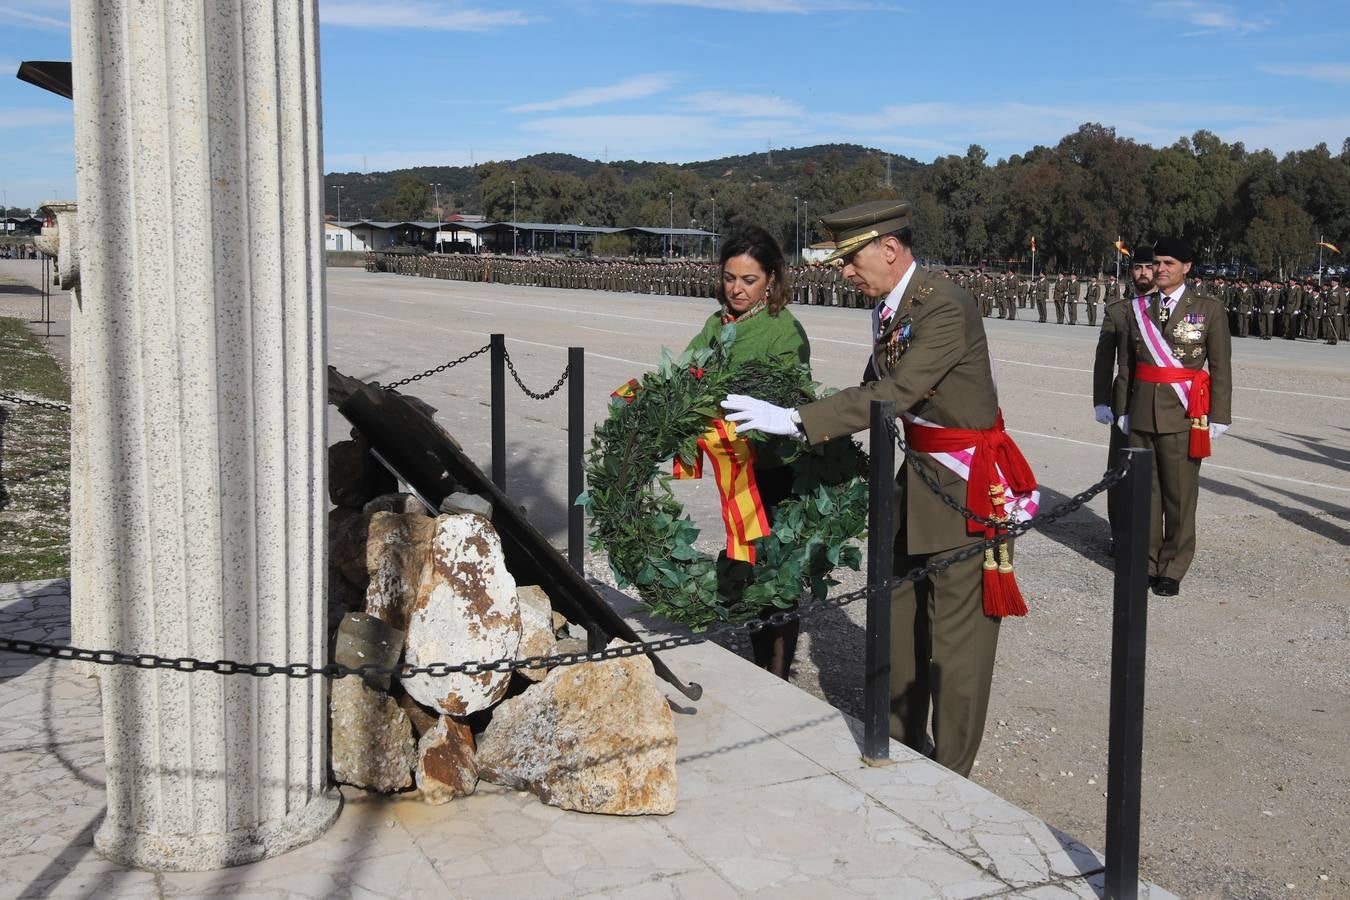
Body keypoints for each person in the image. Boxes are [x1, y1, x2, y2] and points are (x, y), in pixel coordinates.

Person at [722, 200, 1038, 778]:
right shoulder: (894, 307)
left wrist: (796, 419)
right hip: (915, 479)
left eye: (851, 259)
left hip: (964, 488)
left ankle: (950, 773)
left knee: (955, 644)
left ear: (888, 249)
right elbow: (876, 386)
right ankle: (900, 744)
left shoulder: (944, 305)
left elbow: (900, 391)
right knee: (896, 623)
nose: (843, 272)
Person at [683, 225, 810, 680]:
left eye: (749, 280)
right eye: (730, 277)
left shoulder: (783, 330)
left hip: (774, 472)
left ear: (772, 279)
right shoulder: (717, 324)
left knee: (777, 575)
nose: (736, 288)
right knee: (749, 565)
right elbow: (688, 370)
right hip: (735, 468)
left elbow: (789, 398)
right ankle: (762, 663)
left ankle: (777, 673)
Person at [1116, 238, 1231, 597]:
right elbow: (1127, 365)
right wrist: (1121, 409)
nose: (1160, 269)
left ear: (1187, 267)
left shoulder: (1208, 309)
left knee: (1179, 496)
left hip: (1184, 414)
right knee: (1143, 494)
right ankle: (1147, 561)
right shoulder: (1138, 307)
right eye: (1157, 263)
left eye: (1168, 263)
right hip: (1141, 412)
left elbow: (1221, 366)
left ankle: (1173, 566)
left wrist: (1219, 415)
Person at [1094, 245, 1155, 552]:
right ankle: (1120, 536)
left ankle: (1152, 541)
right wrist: (1101, 401)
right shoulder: (1119, 311)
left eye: (1149, 267)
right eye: (1138, 268)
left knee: (1158, 475)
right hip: (1124, 402)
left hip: (1161, 404)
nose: (1143, 273)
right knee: (1120, 472)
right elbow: (1105, 359)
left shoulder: (1171, 310)